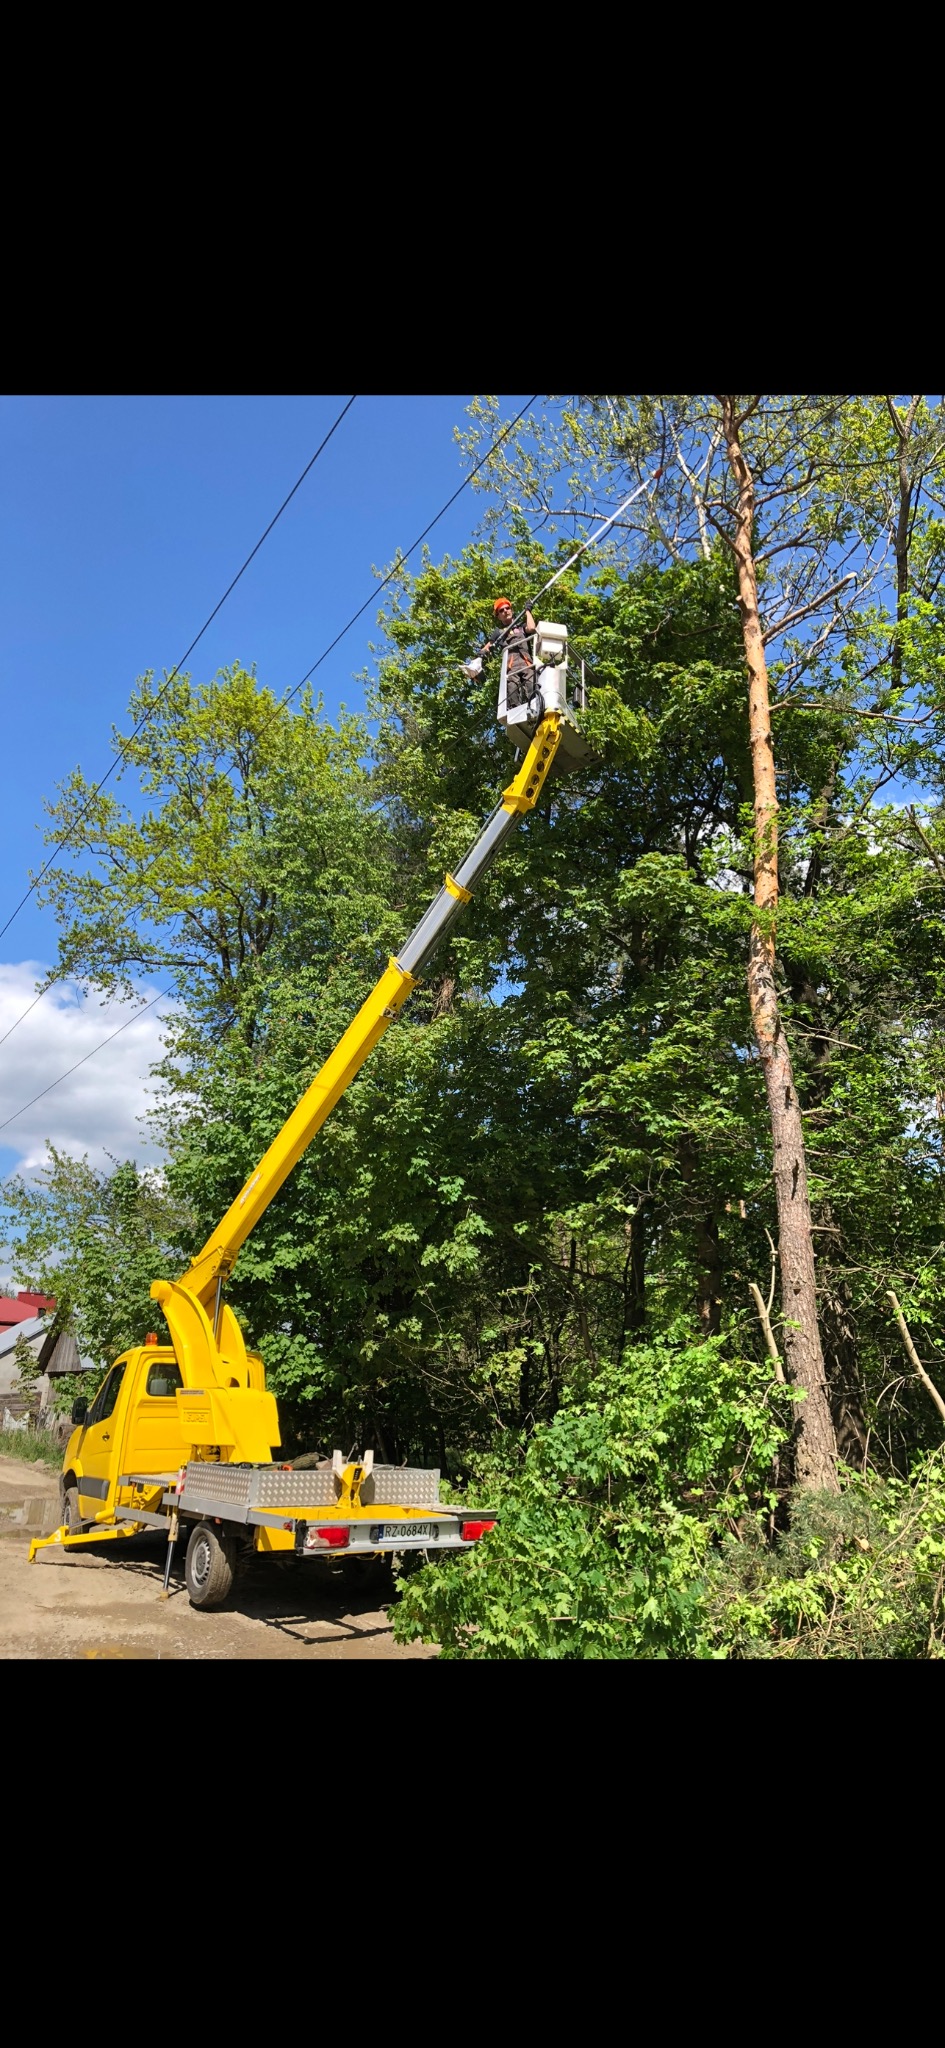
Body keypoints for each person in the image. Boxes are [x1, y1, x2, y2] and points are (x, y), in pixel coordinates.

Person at [478, 596, 538, 710]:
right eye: (501, 610)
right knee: (512, 691)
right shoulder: (499, 632)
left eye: (507, 608)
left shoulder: (521, 626)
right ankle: (514, 711)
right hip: (511, 666)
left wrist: (528, 611)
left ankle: (535, 707)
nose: (505, 611)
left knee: (532, 685)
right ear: (498, 616)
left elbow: (531, 628)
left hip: (526, 662)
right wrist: (480, 655)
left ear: (511, 610)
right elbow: (488, 646)